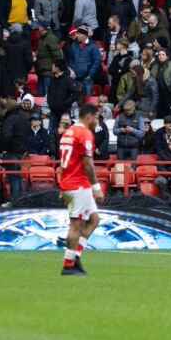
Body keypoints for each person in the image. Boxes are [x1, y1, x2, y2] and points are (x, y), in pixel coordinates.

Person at [59, 103, 104, 277]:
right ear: (89, 116)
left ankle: (75, 256)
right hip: (78, 184)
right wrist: (96, 187)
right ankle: (68, 265)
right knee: (76, 225)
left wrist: (62, 184)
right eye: (97, 118)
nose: (97, 122)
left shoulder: (68, 132)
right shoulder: (84, 133)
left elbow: (64, 161)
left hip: (70, 182)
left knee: (94, 219)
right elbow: (87, 163)